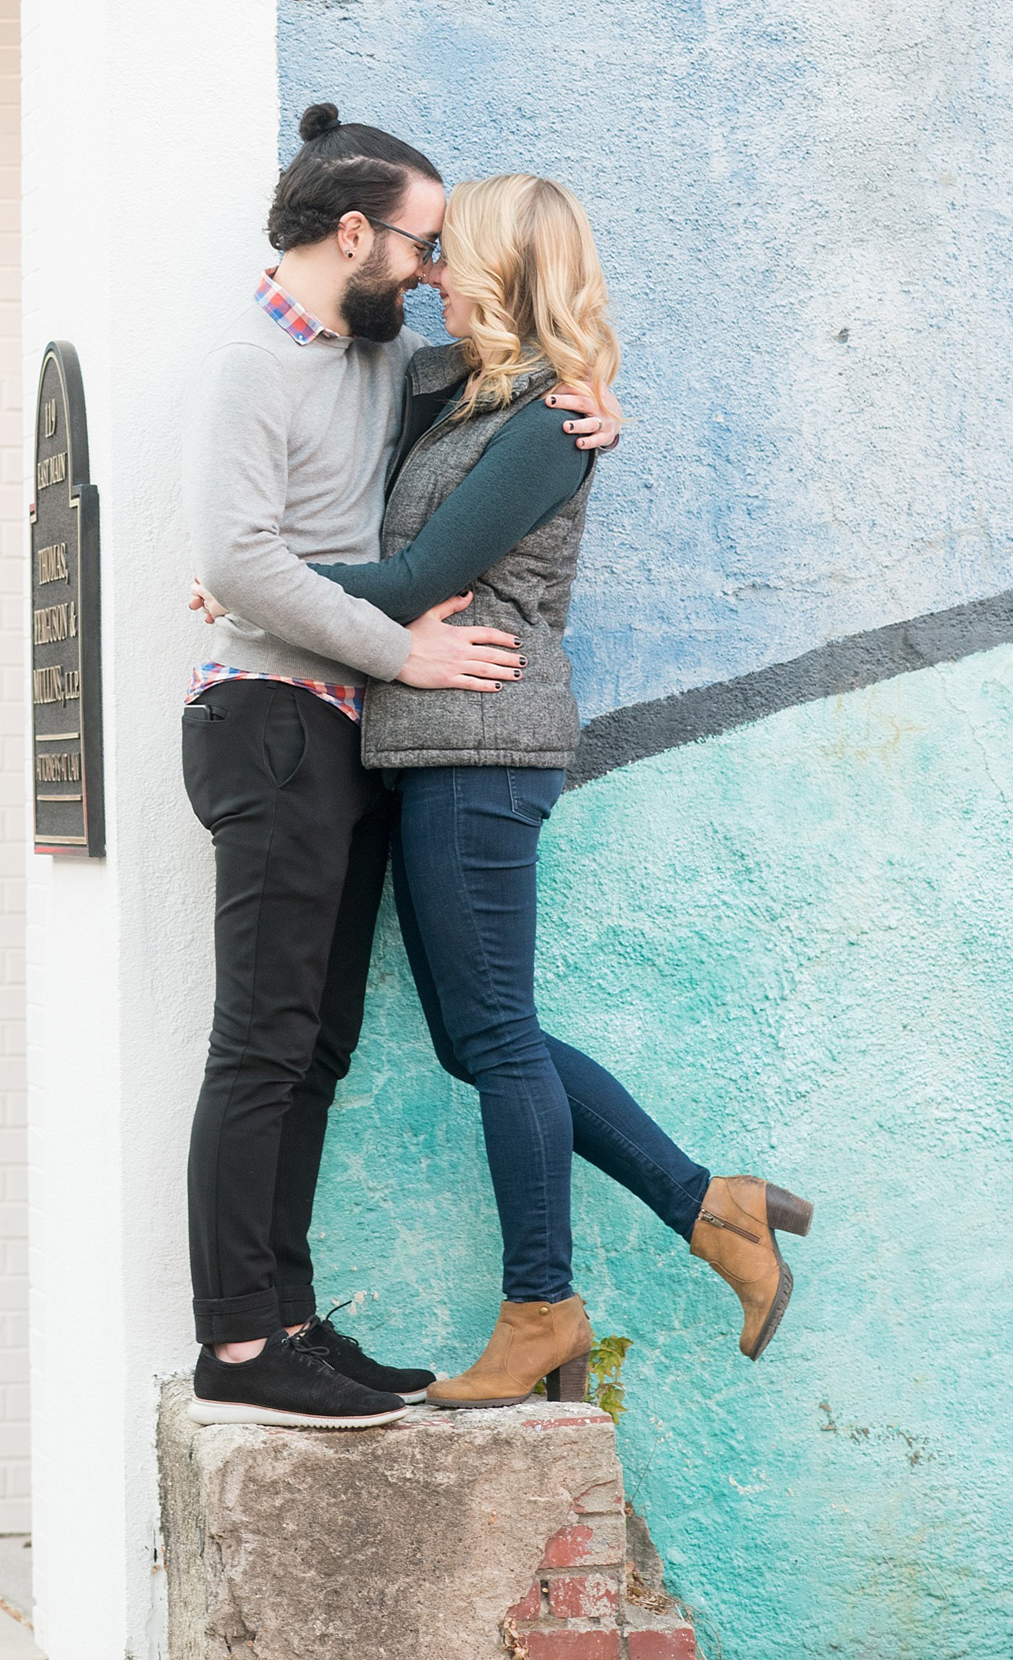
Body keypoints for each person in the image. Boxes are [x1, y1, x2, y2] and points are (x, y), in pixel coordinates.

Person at [302, 171, 814, 1406]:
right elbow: (409, 375)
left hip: (484, 740)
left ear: (503, 266)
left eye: (451, 254)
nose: (430, 273)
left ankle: (542, 1304)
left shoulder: (545, 424)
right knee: (482, 1038)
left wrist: (267, 576)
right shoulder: (457, 393)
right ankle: (711, 1204)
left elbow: (426, 566)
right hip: (435, 742)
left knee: (493, 1037)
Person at [179, 108, 619, 1428]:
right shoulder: (252, 368)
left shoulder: (390, 366)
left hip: (348, 727)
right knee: (260, 1040)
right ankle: (239, 1345)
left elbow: (499, 416)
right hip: (267, 713)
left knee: (320, 1043)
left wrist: (578, 389)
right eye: (422, 247)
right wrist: (394, 647)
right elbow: (238, 563)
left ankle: (293, 1318)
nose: (435, 274)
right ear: (355, 232)